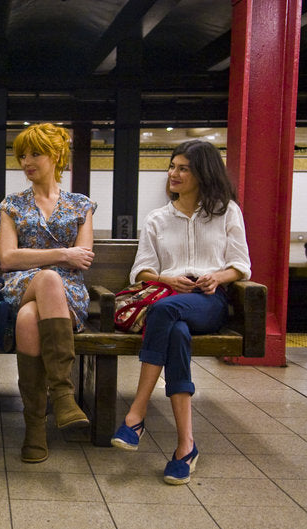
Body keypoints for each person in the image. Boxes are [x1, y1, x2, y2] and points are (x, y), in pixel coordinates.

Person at [110, 140, 251, 485]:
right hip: (169, 298)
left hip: (208, 302)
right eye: (172, 166)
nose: (173, 174)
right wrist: (166, 278)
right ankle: (185, 447)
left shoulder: (227, 212)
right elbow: (141, 271)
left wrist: (217, 276)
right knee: (175, 332)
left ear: (203, 173)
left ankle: (136, 413)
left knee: (165, 311)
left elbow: (241, 265)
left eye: (183, 168)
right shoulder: (158, 218)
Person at [0, 123, 95, 464]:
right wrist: (63, 254)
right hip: (22, 285)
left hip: (68, 294)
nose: (27, 162)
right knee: (49, 278)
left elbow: (84, 258)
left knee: (28, 320)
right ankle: (63, 394)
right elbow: (8, 259)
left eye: (35, 154)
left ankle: (35, 429)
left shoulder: (81, 205)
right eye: (22, 156)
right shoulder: (11, 205)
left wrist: (47, 258)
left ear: (56, 155)